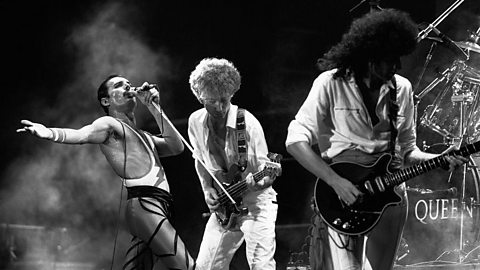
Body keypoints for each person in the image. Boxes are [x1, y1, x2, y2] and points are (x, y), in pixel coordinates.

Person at [285, 9, 468, 270]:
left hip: (391, 195)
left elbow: (408, 151)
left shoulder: (401, 88)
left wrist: (438, 158)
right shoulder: (330, 83)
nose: (397, 66)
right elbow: (295, 140)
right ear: (369, 56)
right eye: (390, 59)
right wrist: (335, 182)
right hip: (344, 193)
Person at [17, 75, 195, 270]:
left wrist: (153, 106)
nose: (128, 86)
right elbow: (81, 134)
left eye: (128, 83)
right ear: (106, 100)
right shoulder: (109, 124)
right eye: (119, 85)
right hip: (145, 206)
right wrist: (49, 132)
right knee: (186, 266)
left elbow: (176, 147)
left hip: (158, 206)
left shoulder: (145, 136)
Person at [187, 58, 279, 270]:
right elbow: (199, 159)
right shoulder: (195, 122)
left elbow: (266, 172)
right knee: (205, 267)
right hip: (224, 205)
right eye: (212, 100)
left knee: (261, 265)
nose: (220, 107)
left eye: (224, 100)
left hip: (256, 204)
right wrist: (207, 188)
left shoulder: (248, 124)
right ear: (199, 96)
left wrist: (260, 182)